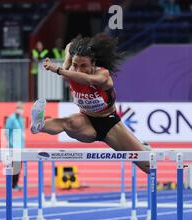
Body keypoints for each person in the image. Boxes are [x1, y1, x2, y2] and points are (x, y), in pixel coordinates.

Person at [30, 34, 149, 174]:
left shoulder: (103, 76)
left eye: (83, 66)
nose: (78, 69)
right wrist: (69, 57)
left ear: (93, 64)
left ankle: (144, 148)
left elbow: (87, 80)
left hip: (109, 124)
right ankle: (39, 126)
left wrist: (58, 70)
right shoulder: (70, 70)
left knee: (147, 165)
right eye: (75, 65)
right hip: (86, 121)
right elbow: (70, 45)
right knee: (69, 123)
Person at [5, 102, 25, 190]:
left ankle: (14, 184)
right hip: (12, 146)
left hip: (19, 146)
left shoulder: (21, 119)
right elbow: (7, 131)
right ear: (16, 108)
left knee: (18, 166)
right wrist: (9, 142)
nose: (20, 109)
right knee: (13, 166)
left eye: (21, 108)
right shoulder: (11, 118)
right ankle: (12, 185)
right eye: (19, 108)